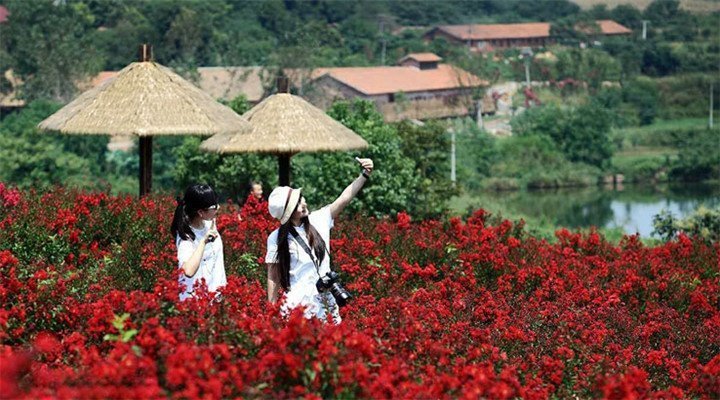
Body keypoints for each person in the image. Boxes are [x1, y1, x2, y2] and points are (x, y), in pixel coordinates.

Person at [265, 158, 374, 324]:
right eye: (296, 205)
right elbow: (273, 276)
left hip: (326, 300)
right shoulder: (276, 238)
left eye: (300, 199)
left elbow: (344, 198)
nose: (303, 204)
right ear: (287, 213)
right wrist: (271, 312)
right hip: (298, 305)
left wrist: (364, 175)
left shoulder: (319, 220)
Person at [171, 184, 226, 301]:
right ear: (201, 212)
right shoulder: (186, 237)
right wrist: (203, 242)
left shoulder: (208, 224)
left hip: (214, 298)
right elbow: (188, 271)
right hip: (195, 304)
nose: (218, 208)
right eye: (214, 206)